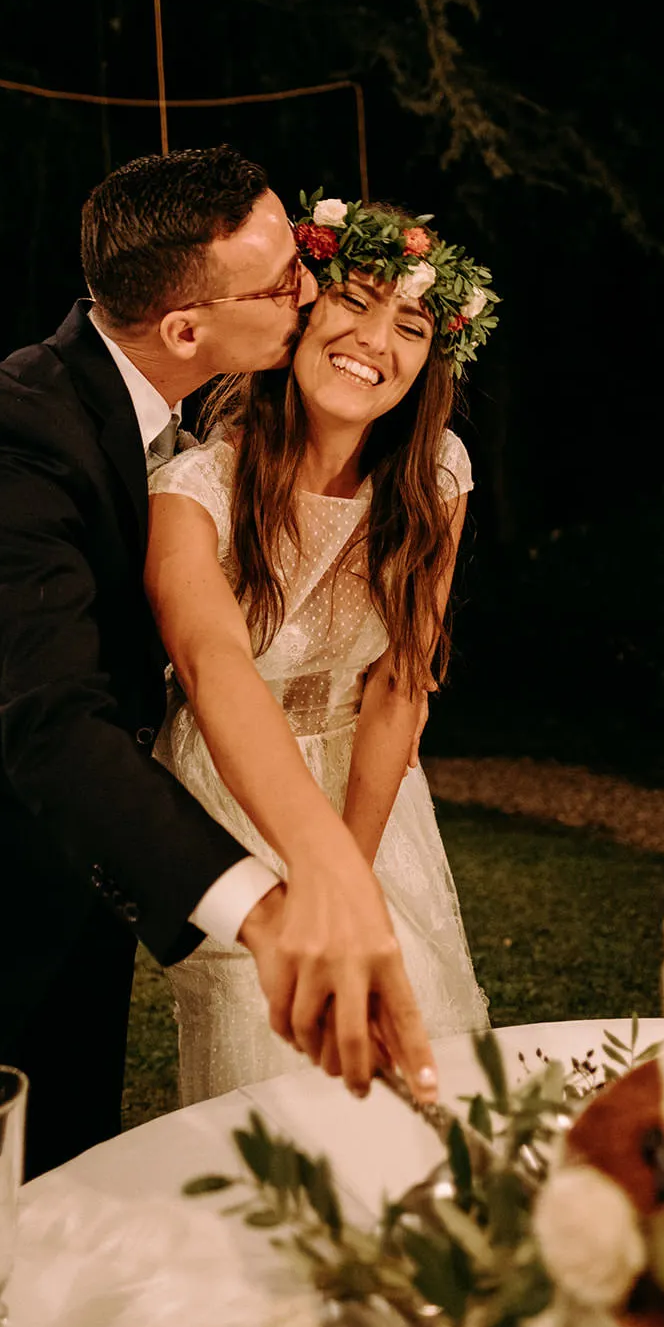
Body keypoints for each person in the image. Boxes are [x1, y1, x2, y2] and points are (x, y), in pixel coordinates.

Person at [0, 150, 439, 1179]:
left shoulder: (185, 415)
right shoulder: (2, 439)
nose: (310, 294)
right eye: (282, 285)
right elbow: (49, 719)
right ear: (185, 326)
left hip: (80, 890)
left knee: (68, 1192)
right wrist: (268, 914)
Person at [146, 191, 498, 1102]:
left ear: (432, 362)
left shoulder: (437, 478)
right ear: (301, 312)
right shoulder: (192, 490)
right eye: (354, 300)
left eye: (411, 323)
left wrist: (352, 867)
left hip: (373, 790)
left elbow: (399, 683)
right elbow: (208, 664)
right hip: (232, 798)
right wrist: (307, 883)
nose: (376, 341)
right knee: (276, 1075)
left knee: (419, 1043)